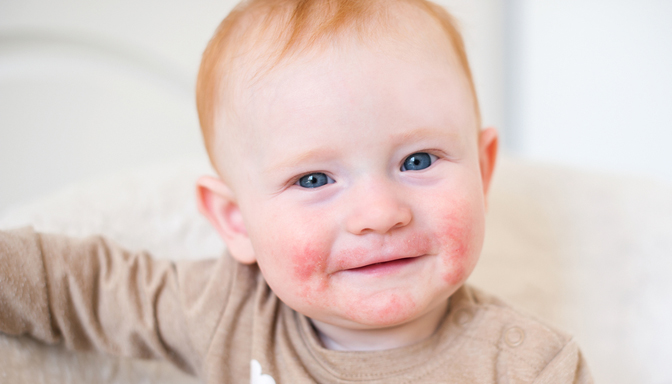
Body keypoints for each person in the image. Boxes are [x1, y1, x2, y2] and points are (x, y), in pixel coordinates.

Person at [0, 0, 592, 382]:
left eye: (417, 160)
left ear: (483, 173)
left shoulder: (529, 366)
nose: (380, 213)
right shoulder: (228, 311)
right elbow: (74, 285)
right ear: (236, 221)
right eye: (314, 179)